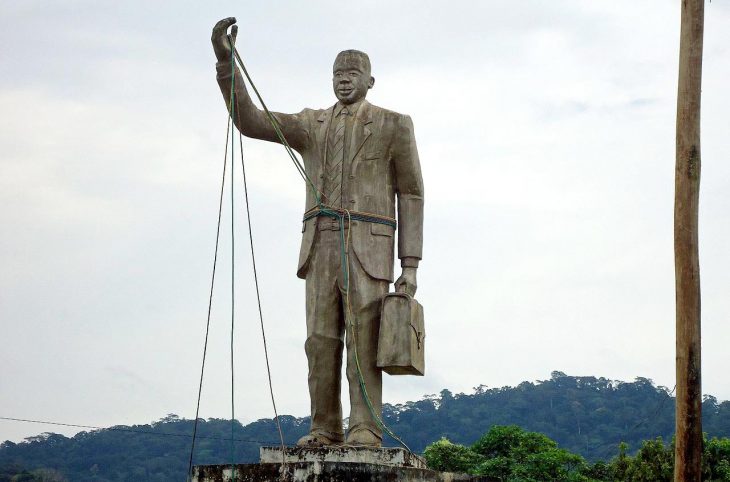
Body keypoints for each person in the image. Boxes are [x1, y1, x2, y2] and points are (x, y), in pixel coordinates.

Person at [211, 17, 424, 448]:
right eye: (337, 75)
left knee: (365, 335)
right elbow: (250, 120)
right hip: (321, 245)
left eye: (352, 75)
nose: (344, 82)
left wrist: (410, 265)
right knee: (320, 339)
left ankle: (364, 427)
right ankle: (323, 427)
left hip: (370, 245)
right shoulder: (311, 124)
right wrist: (225, 62)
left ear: (370, 80)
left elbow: (412, 194)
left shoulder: (393, 125)